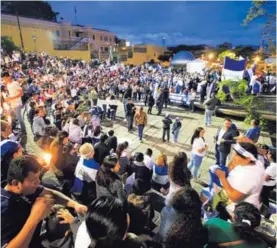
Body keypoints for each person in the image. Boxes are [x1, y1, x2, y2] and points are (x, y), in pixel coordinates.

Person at [1, 155, 87, 248]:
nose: (38, 182)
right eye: (34, 181)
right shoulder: (4, 208)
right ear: (15, 183)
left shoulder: (28, 189)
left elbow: (51, 193)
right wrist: (35, 217)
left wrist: (75, 204)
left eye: (38, 177)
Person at [75, 196, 146, 248]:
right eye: (124, 214)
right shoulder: (134, 242)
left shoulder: (85, 227)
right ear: (121, 235)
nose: (127, 214)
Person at [214, 142, 265, 213]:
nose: (233, 157)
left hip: (234, 210)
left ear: (247, 159)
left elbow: (234, 198)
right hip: (229, 198)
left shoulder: (249, 176)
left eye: (236, 155)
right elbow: (231, 167)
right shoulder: (255, 162)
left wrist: (222, 177)